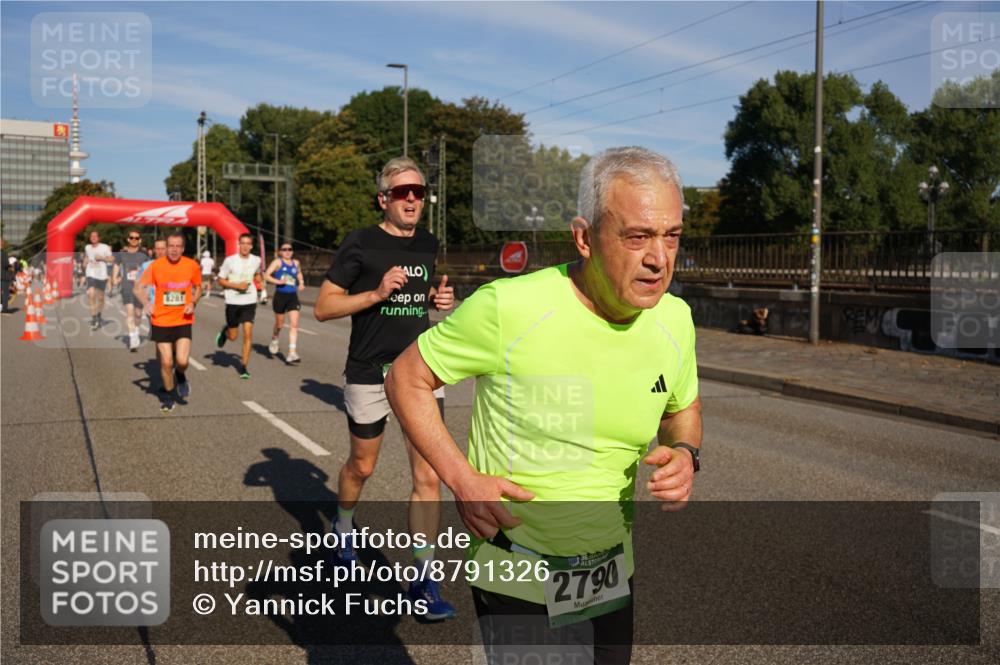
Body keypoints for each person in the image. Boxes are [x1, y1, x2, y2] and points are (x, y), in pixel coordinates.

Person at [384, 146, 703, 664]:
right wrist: (462, 480)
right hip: (518, 566)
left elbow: (682, 407)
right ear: (584, 237)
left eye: (672, 236)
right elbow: (406, 377)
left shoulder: (676, 320)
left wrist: (686, 452)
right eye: (637, 236)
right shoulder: (509, 307)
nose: (659, 258)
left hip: (611, 570)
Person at [314, 156, 456, 620]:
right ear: (384, 199)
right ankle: (344, 524)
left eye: (418, 191)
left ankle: (424, 580)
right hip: (367, 373)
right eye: (402, 192)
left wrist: (439, 301)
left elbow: (422, 300)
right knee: (363, 465)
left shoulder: (429, 244)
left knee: (428, 477)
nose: (412, 198)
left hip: (418, 372)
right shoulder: (361, 243)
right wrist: (375, 295)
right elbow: (323, 308)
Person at [135, 231, 202, 412]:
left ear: (183, 248)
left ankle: (180, 375)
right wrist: (146, 303)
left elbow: (198, 288)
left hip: (183, 319)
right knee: (165, 362)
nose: (174, 250)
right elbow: (138, 288)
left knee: (181, 361)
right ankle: (169, 396)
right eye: (171, 246)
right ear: (166, 247)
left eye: (177, 246)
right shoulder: (156, 266)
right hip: (161, 320)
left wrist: (193, 302)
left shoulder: (191, 265)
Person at [215, 233, 261, 379]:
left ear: (251, 246)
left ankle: (244, 367)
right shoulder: (230, 261)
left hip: (249, 300)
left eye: (248, 243)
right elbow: (220, 280)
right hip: (233, 301)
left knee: (248, 333)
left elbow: (257, 274)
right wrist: (236, 285)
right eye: (243, 243)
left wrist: (262, 285)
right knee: (233, 336)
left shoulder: (256, 260)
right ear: (238, 245)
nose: (245, 246)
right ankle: (225, 332)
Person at [264, 242, 304, 363]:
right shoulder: (277, 262)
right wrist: (278, 281)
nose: (287, 251)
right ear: (280, 252)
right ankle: (275, 338)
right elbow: (266, 275)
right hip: (280, 296)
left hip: (292, 296)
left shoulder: (296, 262)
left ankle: (292, 353)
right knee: (280, 325)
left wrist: (301, 282)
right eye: (284, 249)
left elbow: (299, 273)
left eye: (290, 249)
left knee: (294, 324)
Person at [112, 228, 148, 351]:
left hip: (140, 288)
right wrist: (114, 278)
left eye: (136, 238)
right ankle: (133, 338)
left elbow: (150, 269)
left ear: (140, 240)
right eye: (131, 237)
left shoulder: (144, 255)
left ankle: (136, 330)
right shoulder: (122, 254)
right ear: (128, 239)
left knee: (138, 314)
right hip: (126, 287)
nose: (134, 240)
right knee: (130, 311)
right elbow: (116, 265)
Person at [84, 229, 114, 330]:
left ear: (99, 238)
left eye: (95, 236)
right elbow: (87, 257)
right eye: (91, 236)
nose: (93, 237)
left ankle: (99, 315)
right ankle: (94, 318)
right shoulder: (87, 247)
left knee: (100, 298)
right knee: (91, 293)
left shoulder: (104, 247)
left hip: (101, 275)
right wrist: (85, 263)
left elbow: (112, 259)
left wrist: (102, 258)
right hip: (91, 274)